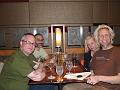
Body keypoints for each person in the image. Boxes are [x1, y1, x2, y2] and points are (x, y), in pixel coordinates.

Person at [63, 24, 120, 90]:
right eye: (101, 36)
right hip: (93, 84)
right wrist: (82, 77)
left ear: (111, 36)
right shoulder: (97, 54)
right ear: (98, 38)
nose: (104, 37)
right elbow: (92, 72)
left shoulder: (117, 52)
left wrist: (98, 78)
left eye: (106, 35)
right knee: (67, 87)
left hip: (108, 87)